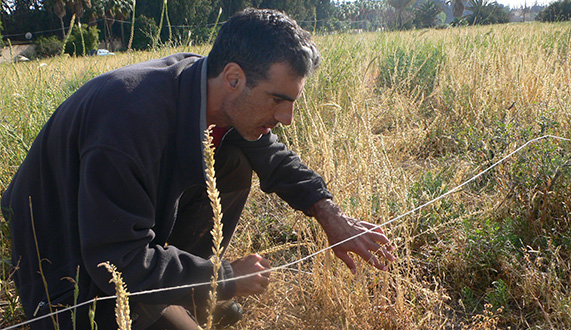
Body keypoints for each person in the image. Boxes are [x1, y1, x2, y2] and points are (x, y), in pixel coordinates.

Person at [1, 8, 395, 330]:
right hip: (64, 247)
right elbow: (114, 262)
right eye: (278, 100)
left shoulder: (209, 89)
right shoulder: (129, 119)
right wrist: (222, 278)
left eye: (292, 101)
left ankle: (182, 294)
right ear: (234, 78)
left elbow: (273, 157)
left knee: (237, 158)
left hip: (122, 230)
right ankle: (180, 296)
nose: (288, 117)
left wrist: (329, 214)